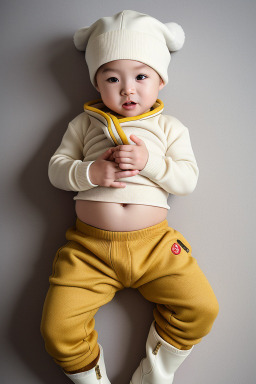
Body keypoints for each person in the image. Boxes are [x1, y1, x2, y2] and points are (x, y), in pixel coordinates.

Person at [40, 10, 219, 384]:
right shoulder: (84, 123)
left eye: (141, 76)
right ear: (97, 83)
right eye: (112, 78)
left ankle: (154, 375)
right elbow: (56, 169)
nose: (127, 89)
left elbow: (187, 179)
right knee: (57, 330)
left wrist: (149, 161)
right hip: (89, 249)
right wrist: (91, 173)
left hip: (154, 246)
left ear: (160, 81)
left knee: (201, 307)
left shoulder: (169, 127)